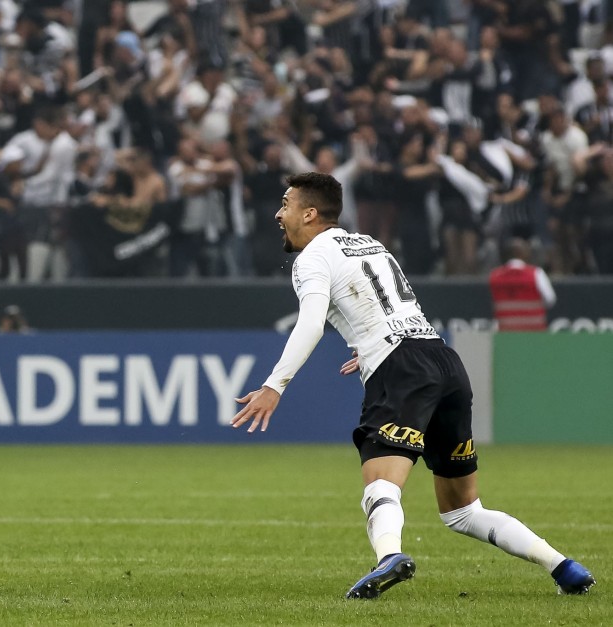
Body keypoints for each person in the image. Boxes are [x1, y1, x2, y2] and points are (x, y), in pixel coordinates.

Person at [231, 172, 595, 599]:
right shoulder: (371, 243)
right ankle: (564, 567)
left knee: (381, 484)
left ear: (309, 213)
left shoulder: (311, 257)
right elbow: (394, 306)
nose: (279, 213)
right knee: (463, 511)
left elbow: (310, 323)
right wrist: (370, 346)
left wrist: (275, 385)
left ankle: (389, 557)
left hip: (401, 370)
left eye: (286, 204)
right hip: (442, 360)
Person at [488, 238, 556, 331]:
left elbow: (492, 302)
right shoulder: (536, 273)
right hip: (533, 332)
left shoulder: (494, 276)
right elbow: (550, 299)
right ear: (521, 253)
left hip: (506, 333)